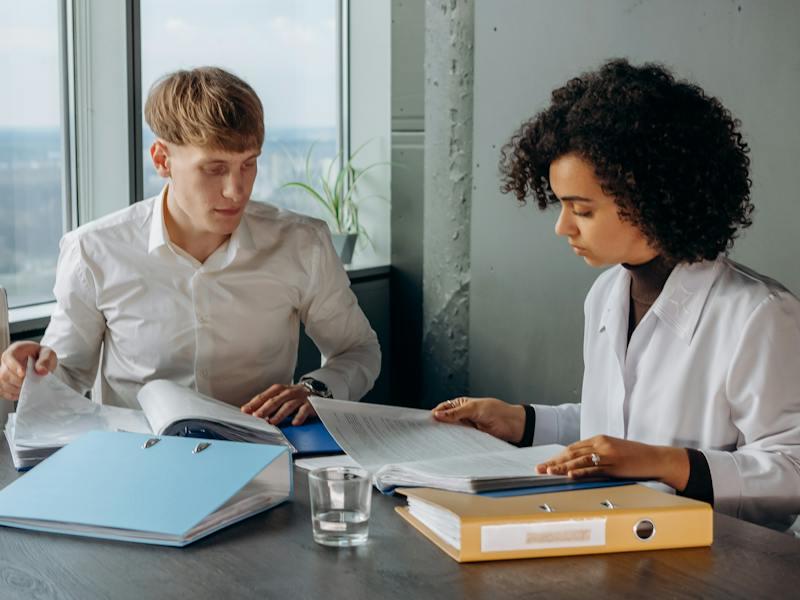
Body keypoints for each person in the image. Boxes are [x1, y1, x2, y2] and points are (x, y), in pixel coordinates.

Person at [433, 59, 800, 528]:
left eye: (581, 210)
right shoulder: (606, 292)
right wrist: (522, 421)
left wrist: (666, 463)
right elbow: (618, 431)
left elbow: (791, 469)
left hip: (722, 565)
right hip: (620, 543)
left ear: (648, 198)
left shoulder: (759, 315)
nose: (562, 227)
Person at [0, 67, 380, 426]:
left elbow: (358, 350)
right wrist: (29, 374)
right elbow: (65, 374)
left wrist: (314, 390)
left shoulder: (302, 243)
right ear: (162, 159)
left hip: (265, 458)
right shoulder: (93, 251)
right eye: (214, 168)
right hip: (138, 462)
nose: (237, 190)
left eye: (248, 164)